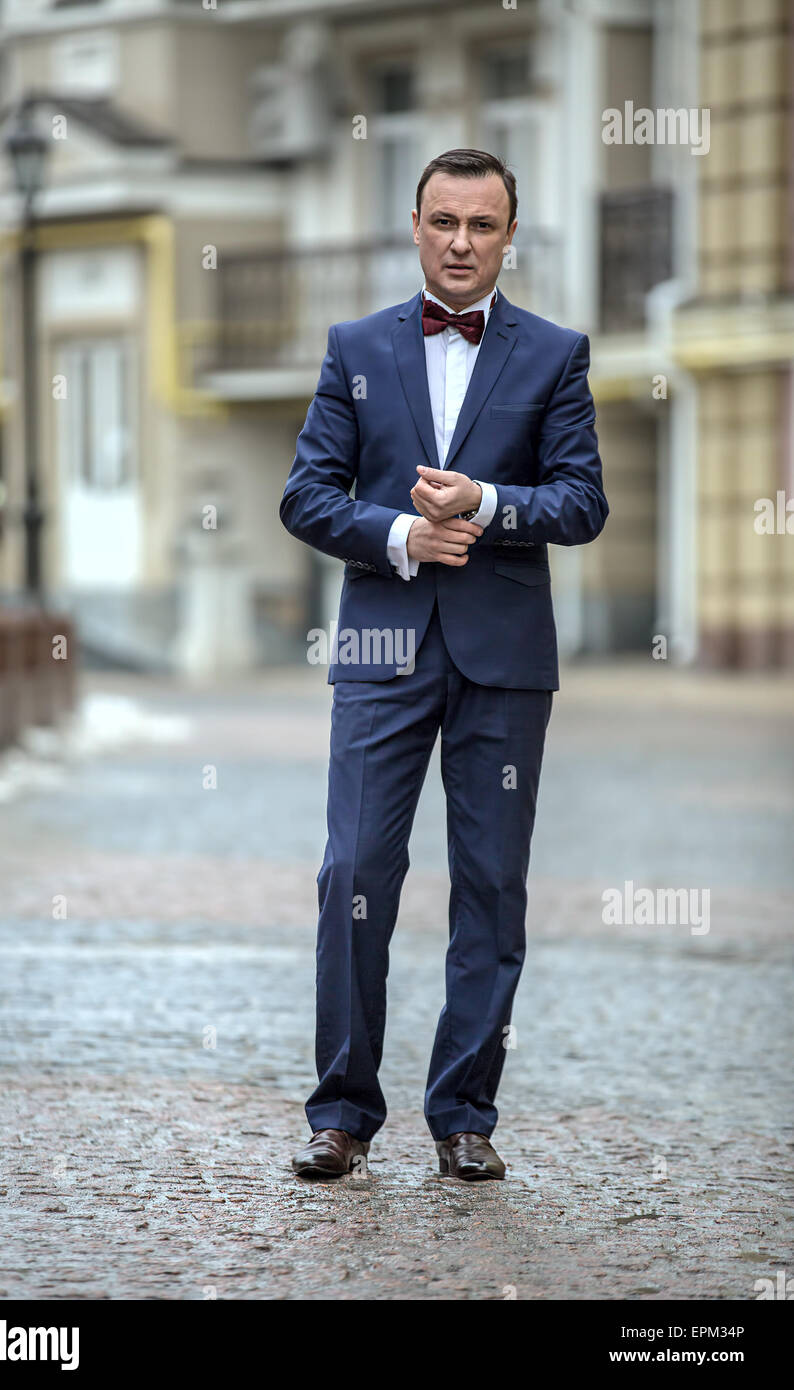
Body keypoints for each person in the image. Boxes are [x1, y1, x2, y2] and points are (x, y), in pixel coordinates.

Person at [279, 148, 608, 1181]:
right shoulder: (354, 346)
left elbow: (581, 502)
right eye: (441, 222)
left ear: (510, 235)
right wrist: (400, 535)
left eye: (480, 224)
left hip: (502, 659)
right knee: (353, 873)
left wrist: (488, 506)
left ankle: (464, 1115)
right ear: (413, 226)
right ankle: (340, 1112)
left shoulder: (554, 354)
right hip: (379, 646)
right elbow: (305, 495)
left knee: (490, 887)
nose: (459, 242)